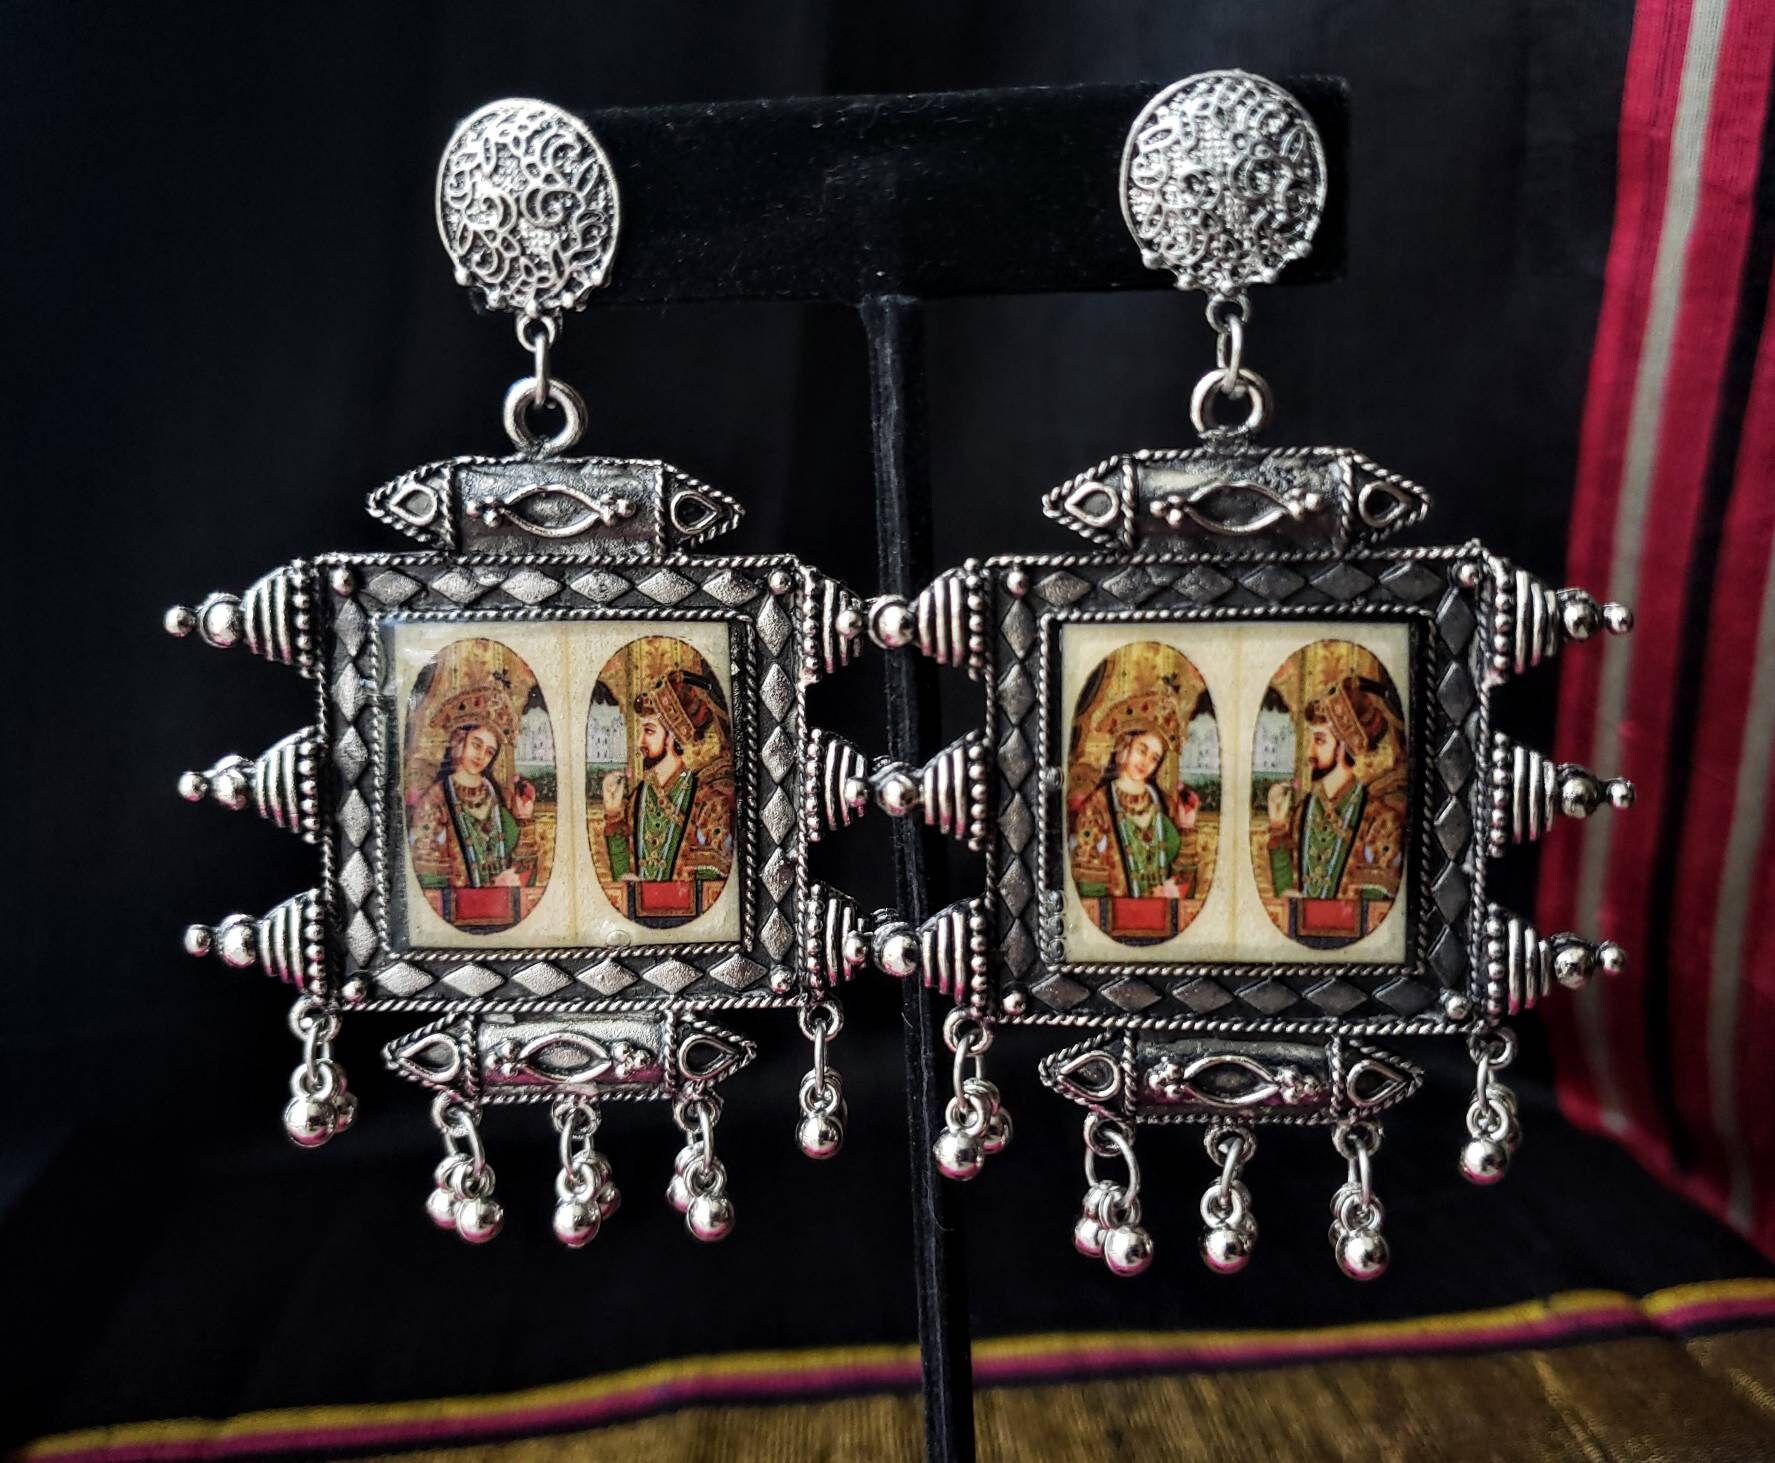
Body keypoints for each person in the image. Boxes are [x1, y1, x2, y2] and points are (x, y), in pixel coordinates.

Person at [1266, 674, 1405, 906]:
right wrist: (1278, 825)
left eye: (1319, 741)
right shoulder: (1302, 812)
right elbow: (1285, 896)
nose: (1309, 753)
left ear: (1345, 746)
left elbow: (1373, 912)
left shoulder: (1380, 820)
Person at [600, 668, 733, 889]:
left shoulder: (709, 804)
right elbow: (623, 880)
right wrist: (613, 814)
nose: (640, 742)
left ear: (673, 737)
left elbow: (710, 891)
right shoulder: (637, 798)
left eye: (649, 731)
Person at [409, 688, 537, 902]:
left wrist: (523, 817)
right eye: (476, 745)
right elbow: (428, 881)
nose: (481, 756)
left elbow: (524, 867)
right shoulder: (435, 801)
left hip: (500, 906)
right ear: (459, 742)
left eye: (489, 752)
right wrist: (489, 886)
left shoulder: (495, 799)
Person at [1069, 726, 1200, 901]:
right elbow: (1088, 878)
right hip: (1115, 911)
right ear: (1124, 747)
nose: (1145, 762)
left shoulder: (1164, 804)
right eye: (1142, 751)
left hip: (1161, 911)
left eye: (1154, 758)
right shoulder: (1097, 805)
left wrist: (1186, 826)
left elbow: (1184, 879)